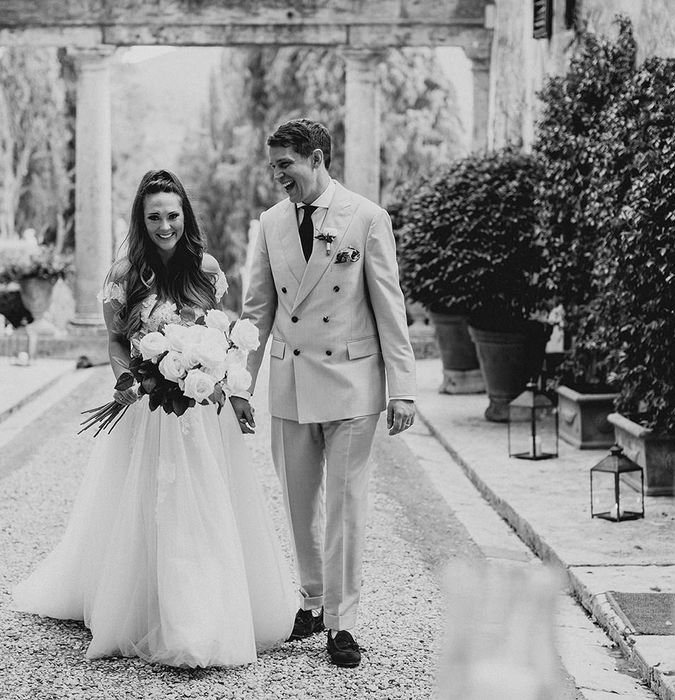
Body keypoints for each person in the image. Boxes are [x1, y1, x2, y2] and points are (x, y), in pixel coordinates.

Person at [12, 169, 295, 667]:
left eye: (172, 215)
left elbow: (217, 339)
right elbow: (117, 342)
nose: (165, 226)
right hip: (146, 409)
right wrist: (125, 380)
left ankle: (204, 612)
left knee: (204, 503)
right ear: (141, 222)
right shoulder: (124, 276)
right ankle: (144, 608)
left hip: (201, 411)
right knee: (148, 504)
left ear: (185, 216)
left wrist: (232, 388)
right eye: (154, 218)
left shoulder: (205, 271)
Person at [230, 119, 417, 668]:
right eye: (273, 166)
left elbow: (390, 306)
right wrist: (240, 383)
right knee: (297, 502)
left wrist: (402, 389)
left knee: (345, 507)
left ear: (316, 159)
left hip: (352, 385)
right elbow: (256, 310)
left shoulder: (366, 217)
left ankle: (343, 622)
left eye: (284, 164)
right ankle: (312, 602)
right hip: (289, 384)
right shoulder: (269, 223)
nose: (276, 176)